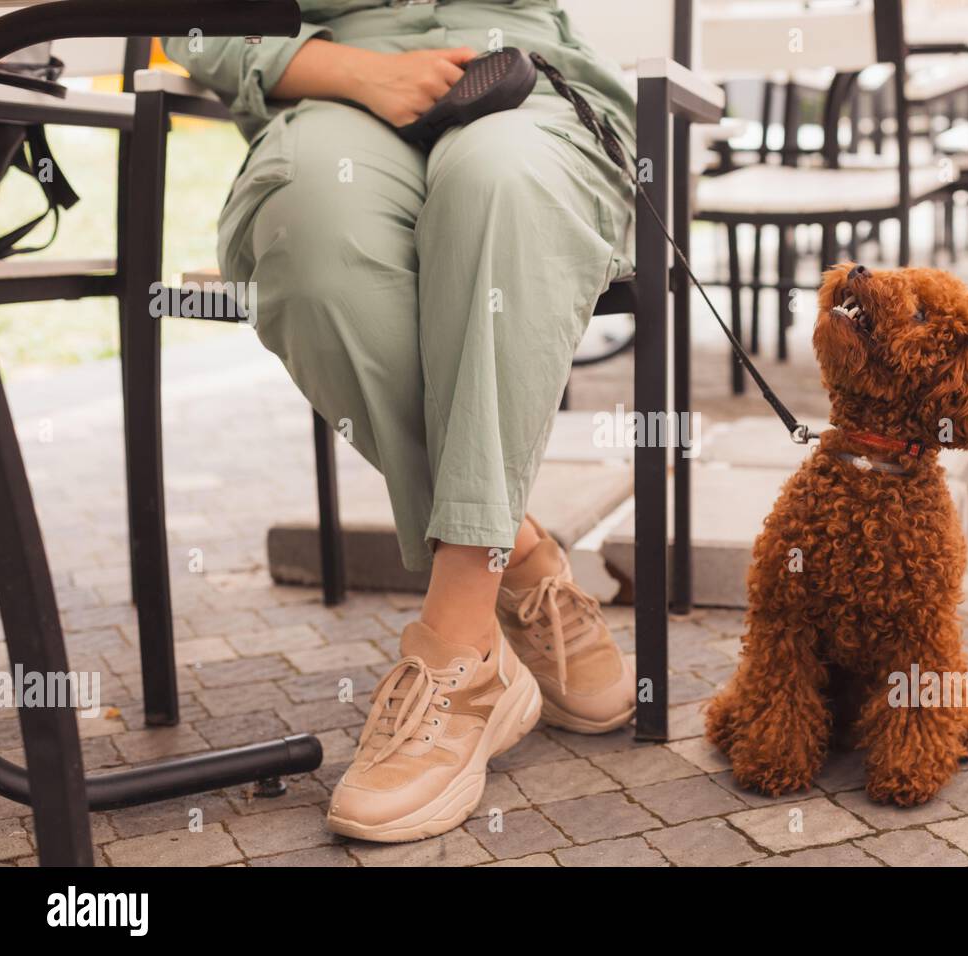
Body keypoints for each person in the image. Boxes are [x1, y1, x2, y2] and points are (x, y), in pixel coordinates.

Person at [164, 0, 636, 842]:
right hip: (337, 95)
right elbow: (190, 22)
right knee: (314, 250)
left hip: (518, 82)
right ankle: (518, 559)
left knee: (495, 185)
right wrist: (356, 71)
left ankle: (459, 649)